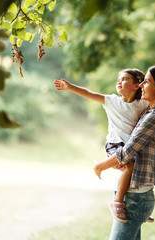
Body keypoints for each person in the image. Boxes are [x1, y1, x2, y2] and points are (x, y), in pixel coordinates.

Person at [93, 64, 155, 240]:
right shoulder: (150, 112)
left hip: (136, 198)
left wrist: (99, 166)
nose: (141, 85)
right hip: (134, 196)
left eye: (146, 81)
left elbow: (127, 152)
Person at [53, 69, 149, 223]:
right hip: (115, 144)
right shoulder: (112, 101)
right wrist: (70, 87)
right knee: (129, 167)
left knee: (138, 168)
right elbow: (88, 93)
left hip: (130, 146)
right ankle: (117, 203)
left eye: (124, 79)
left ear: (137, 85)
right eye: (118, 79)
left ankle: (138, 207)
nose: (119, 82)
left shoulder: (141, 104)